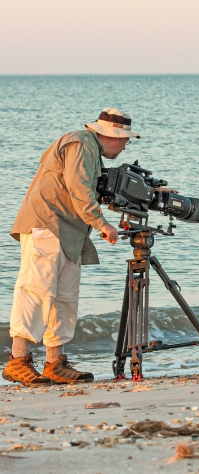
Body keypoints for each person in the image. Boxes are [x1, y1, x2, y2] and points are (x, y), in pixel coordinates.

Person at [2, 108, 140, 386]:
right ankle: (18, 361)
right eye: (124, 139)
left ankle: (55, 363)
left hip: (68, 231)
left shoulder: (91, 152)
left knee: (64, 298)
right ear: (110, 135)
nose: (126, 145)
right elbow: (79, 188)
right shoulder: (80, 142)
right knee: (36, 291)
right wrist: (102, 224)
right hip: (48, 224)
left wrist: (153, 192)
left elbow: (94, 188)